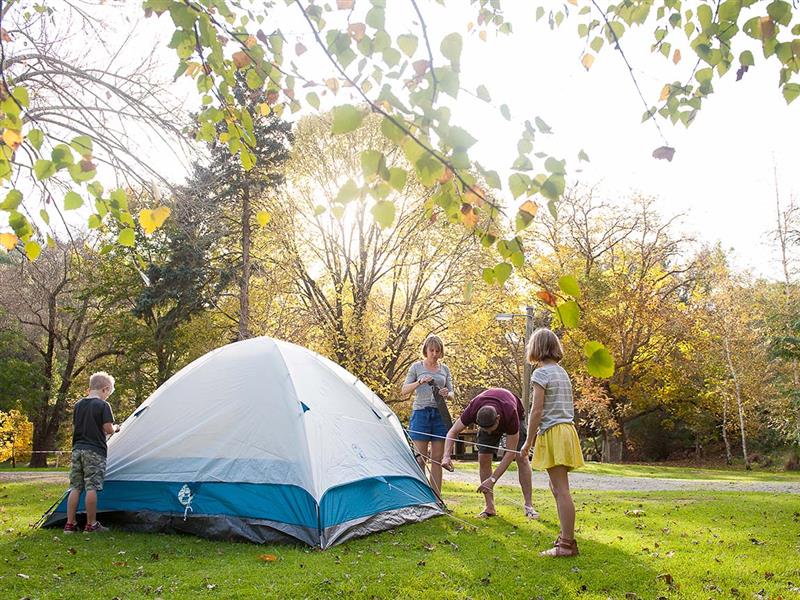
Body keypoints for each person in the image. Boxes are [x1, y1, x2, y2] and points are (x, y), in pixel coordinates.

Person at [520, 328, 585, 557]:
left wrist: (528, 442)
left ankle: (567, 545)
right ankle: (564, 538)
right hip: (566, 431)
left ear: (536, 348)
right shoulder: (562, 372)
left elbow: (536, 410)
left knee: (561, 489)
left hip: (554, 432)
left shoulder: (540, 374)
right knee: (556, 487)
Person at [442, 388, 538, 519]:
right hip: (488, 412)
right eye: (484, 429)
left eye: (490, 429)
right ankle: (489, 507)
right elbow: (452, 432)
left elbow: (509, 453)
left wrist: (493, 479)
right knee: (483, 459)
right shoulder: (473, 408)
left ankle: (529, 506)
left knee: (521, 457)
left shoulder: (510, 412)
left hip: (514, 414)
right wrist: (446, 456)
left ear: (498, 419)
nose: (489, 433)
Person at [63, 371, 119, 534]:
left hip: (77, 449)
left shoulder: (78, 405)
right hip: (94, 451)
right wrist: (116, 428)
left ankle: (70, 524)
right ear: (105, 389)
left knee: (75, 486)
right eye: (108, 393)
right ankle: (91, 524)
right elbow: (107, 428)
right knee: (92, 487)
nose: (107, 396)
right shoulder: (103, 405)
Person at [402, 335, 454, 496]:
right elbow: (404, 390)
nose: (434, 354)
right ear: (426, 350)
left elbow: (452, 394)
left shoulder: (444, 370)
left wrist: (447, 393)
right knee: (420, 458)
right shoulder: (416, 367)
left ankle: (437, 499)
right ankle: (420, 497)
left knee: (437, 460)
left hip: (440, 415)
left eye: (437, 351)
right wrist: (419, 382)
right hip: (421, 414)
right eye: (431, 350)